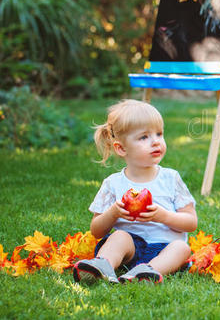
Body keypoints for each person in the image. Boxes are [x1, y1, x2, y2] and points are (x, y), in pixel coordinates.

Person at [73, 99, 198, 284]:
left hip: (165, 248)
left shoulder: (171, 179)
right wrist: (113, 213)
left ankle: (147, 272)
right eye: (144, 137)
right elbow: (96, 230)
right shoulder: (113, 183)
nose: (156, 142)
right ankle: (102, 265)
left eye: (159, 134)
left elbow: (191, 222)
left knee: (182, 248)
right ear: (122, 148)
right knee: (119, 236)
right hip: (129, 248)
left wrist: (163, 216)